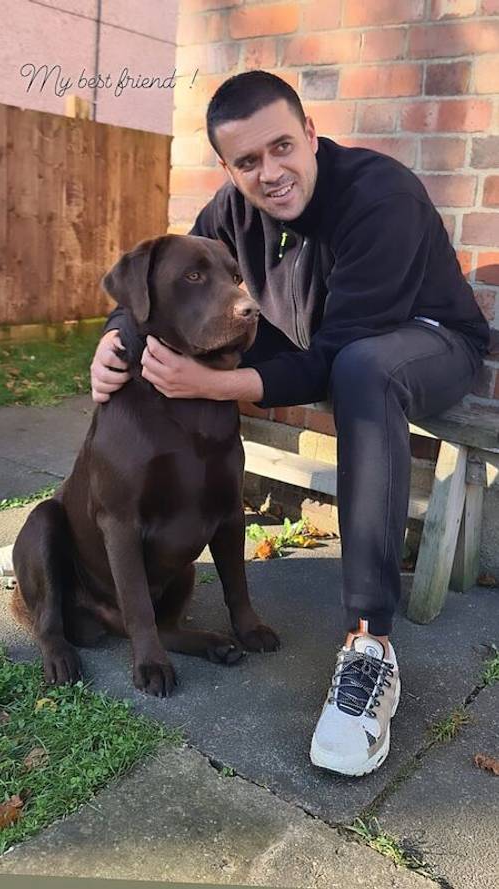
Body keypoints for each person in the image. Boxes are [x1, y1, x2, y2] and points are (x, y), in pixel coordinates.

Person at [90, 70, 490, 777]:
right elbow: (168, 273)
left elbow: (334, 360)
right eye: (248, 161)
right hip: (327, 340)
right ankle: (110, 512)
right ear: (228, 166)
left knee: (364, 370)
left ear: (309, 134)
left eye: (282, 148)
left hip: (427, 338)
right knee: (264, 342)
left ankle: (370, 646)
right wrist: (117, 339)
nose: (269, 173)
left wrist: (216, 382)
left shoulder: (378, 195)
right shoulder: (235, 210)